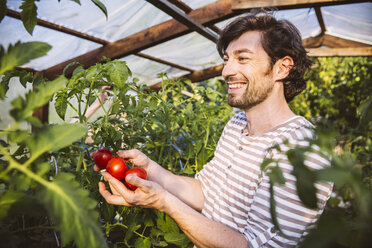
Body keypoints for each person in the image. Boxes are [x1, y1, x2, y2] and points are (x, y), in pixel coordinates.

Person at [96, 11, 333, 247]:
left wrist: (164, 202)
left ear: (281, 68)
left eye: (242, 58)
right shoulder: (237, 125)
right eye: (227, 59)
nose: (226, 71)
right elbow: (207, 193)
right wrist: (150, 169)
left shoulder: (301, 148)